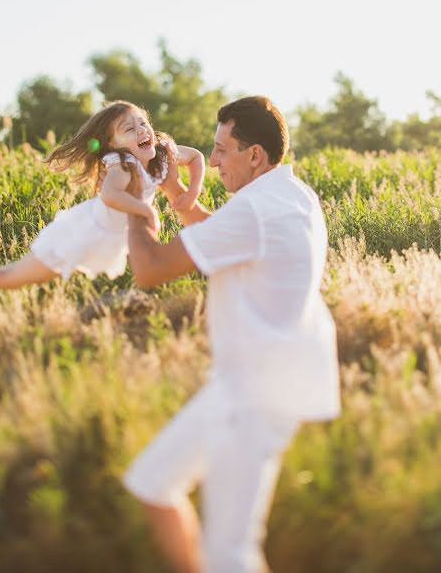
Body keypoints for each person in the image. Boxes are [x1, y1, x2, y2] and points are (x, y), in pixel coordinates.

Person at [123, 96, 340, 573]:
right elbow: (228, 235)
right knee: (153, 482)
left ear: (255, 155)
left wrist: (135, 202)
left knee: (231, 552)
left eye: (222, 150)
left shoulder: (255, 211)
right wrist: (181, 198)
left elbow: (150, 268)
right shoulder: (289, 195)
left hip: (256, 397)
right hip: (245, 386)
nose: (213, 161)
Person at [0, 100, 204, 312]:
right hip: (82, 234)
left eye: (143, 122)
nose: (142, 130)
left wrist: (192, 193)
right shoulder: (121, 164)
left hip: (105, 238)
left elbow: (196, 159)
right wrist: (147, 210)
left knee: (11, 278)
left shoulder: (161, 152)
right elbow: (111, 196)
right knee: (13, 278)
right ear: (112, 145)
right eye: (129, 129)